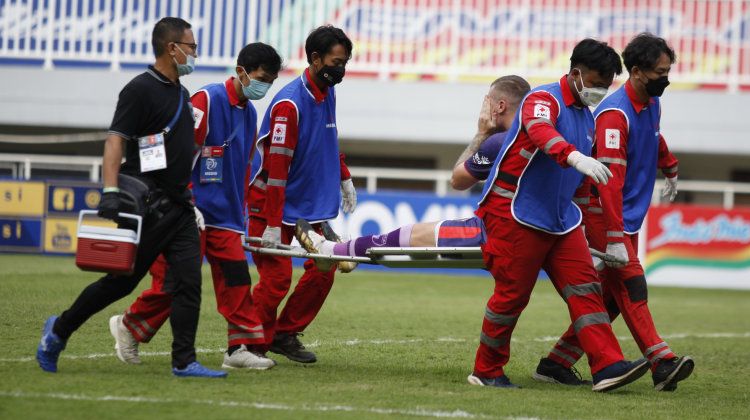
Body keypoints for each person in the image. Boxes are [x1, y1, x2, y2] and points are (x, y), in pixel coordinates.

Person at [36, 17, 226, 378]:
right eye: (192, 47)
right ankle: (58, 330)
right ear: (173, 48)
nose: (195, 54)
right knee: (120, 283)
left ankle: (184, 361)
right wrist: (109, 192)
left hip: (181, 207)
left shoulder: (181, 93)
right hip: (149, 206)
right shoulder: (139, 90)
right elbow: (115, 140)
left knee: (188, 283)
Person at [468, 39, 650, 392]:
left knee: (586, 291)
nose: (600, 89)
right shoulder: (542, 100)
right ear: (576, 72)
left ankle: (608, 366)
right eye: (597, 81)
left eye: (607, 83)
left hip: (562, 221)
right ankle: (486, 370)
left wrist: (595, 228)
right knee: (511, 297)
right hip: (514, 214)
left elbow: (579, 183)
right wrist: (573, 156)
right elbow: (540, 133)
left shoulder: (586, 117)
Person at [106, 43, 283, 371]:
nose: (265, 87)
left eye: (271, 81)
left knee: (237, 281)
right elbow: (180, 153)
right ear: (241, 71)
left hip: (227, 217)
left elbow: (243, 166)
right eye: (261, 78)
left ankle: (238, 348)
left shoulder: (251, 113)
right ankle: (130, 325)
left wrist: (240, 212)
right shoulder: (206, 100)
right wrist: (184, 197)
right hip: (190, 211)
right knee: (175, 284)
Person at [534, 33, 694, 391]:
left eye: (668, 70)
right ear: (636, 72)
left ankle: (556, 363)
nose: (665, 78)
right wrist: (613, 236)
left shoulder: (650, 102)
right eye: (660, 71)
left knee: (611, 300)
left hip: (626, 216)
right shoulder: (613, 115)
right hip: (604, 215)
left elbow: (654, 136)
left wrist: (669, 166)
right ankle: (662, 361)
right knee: (632, 284)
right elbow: (608, 182)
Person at [294, 76, 531, 266]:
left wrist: (482, 133)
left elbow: (457, 180)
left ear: (499, 106)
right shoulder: (538, 138)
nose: (483, 107)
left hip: (497, 232)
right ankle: (345, 251)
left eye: (486, 101)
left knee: (412, 235)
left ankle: (334, 251)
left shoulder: (500, 141)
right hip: (537, 233)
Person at [246, 25, 355, 364]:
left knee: (325, 266)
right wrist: (271, 223)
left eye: (346, 62)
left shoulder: (328, 91)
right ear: (315, 58)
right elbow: (276, 173)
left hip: (306, 209)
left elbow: (328, 140)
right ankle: (247, 346)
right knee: (277, 279)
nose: (342, 69)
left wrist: (344, 178)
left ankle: (283, 334)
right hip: (271, 206)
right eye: (337, 62)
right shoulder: (289, 105)